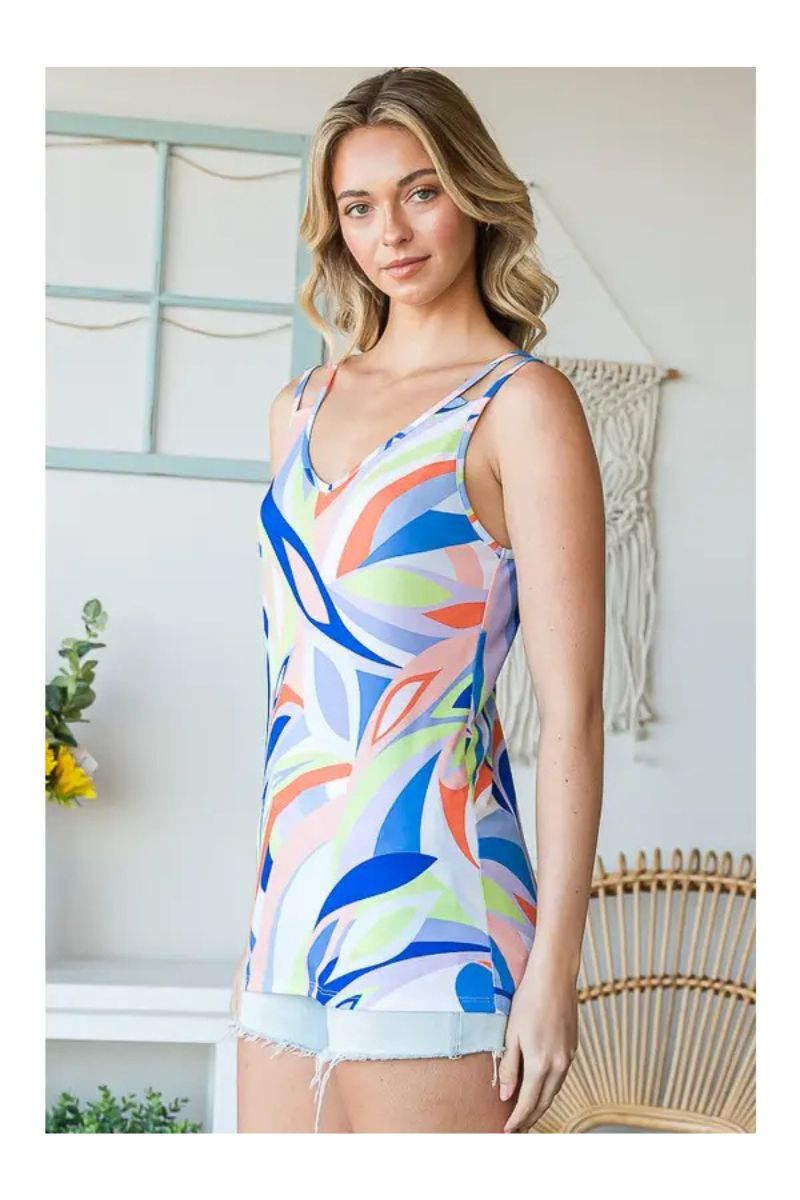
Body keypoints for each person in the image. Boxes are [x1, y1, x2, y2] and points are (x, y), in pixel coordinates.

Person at [229, 66, 605, 1134]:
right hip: (289, 911)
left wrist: (554, 973)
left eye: (420, 191)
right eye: (357, 206)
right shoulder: (298, 408)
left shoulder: (522, 407)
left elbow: (572, 716)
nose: (388, 231)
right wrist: (269, 912)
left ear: (474, 195)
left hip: (440, 913)